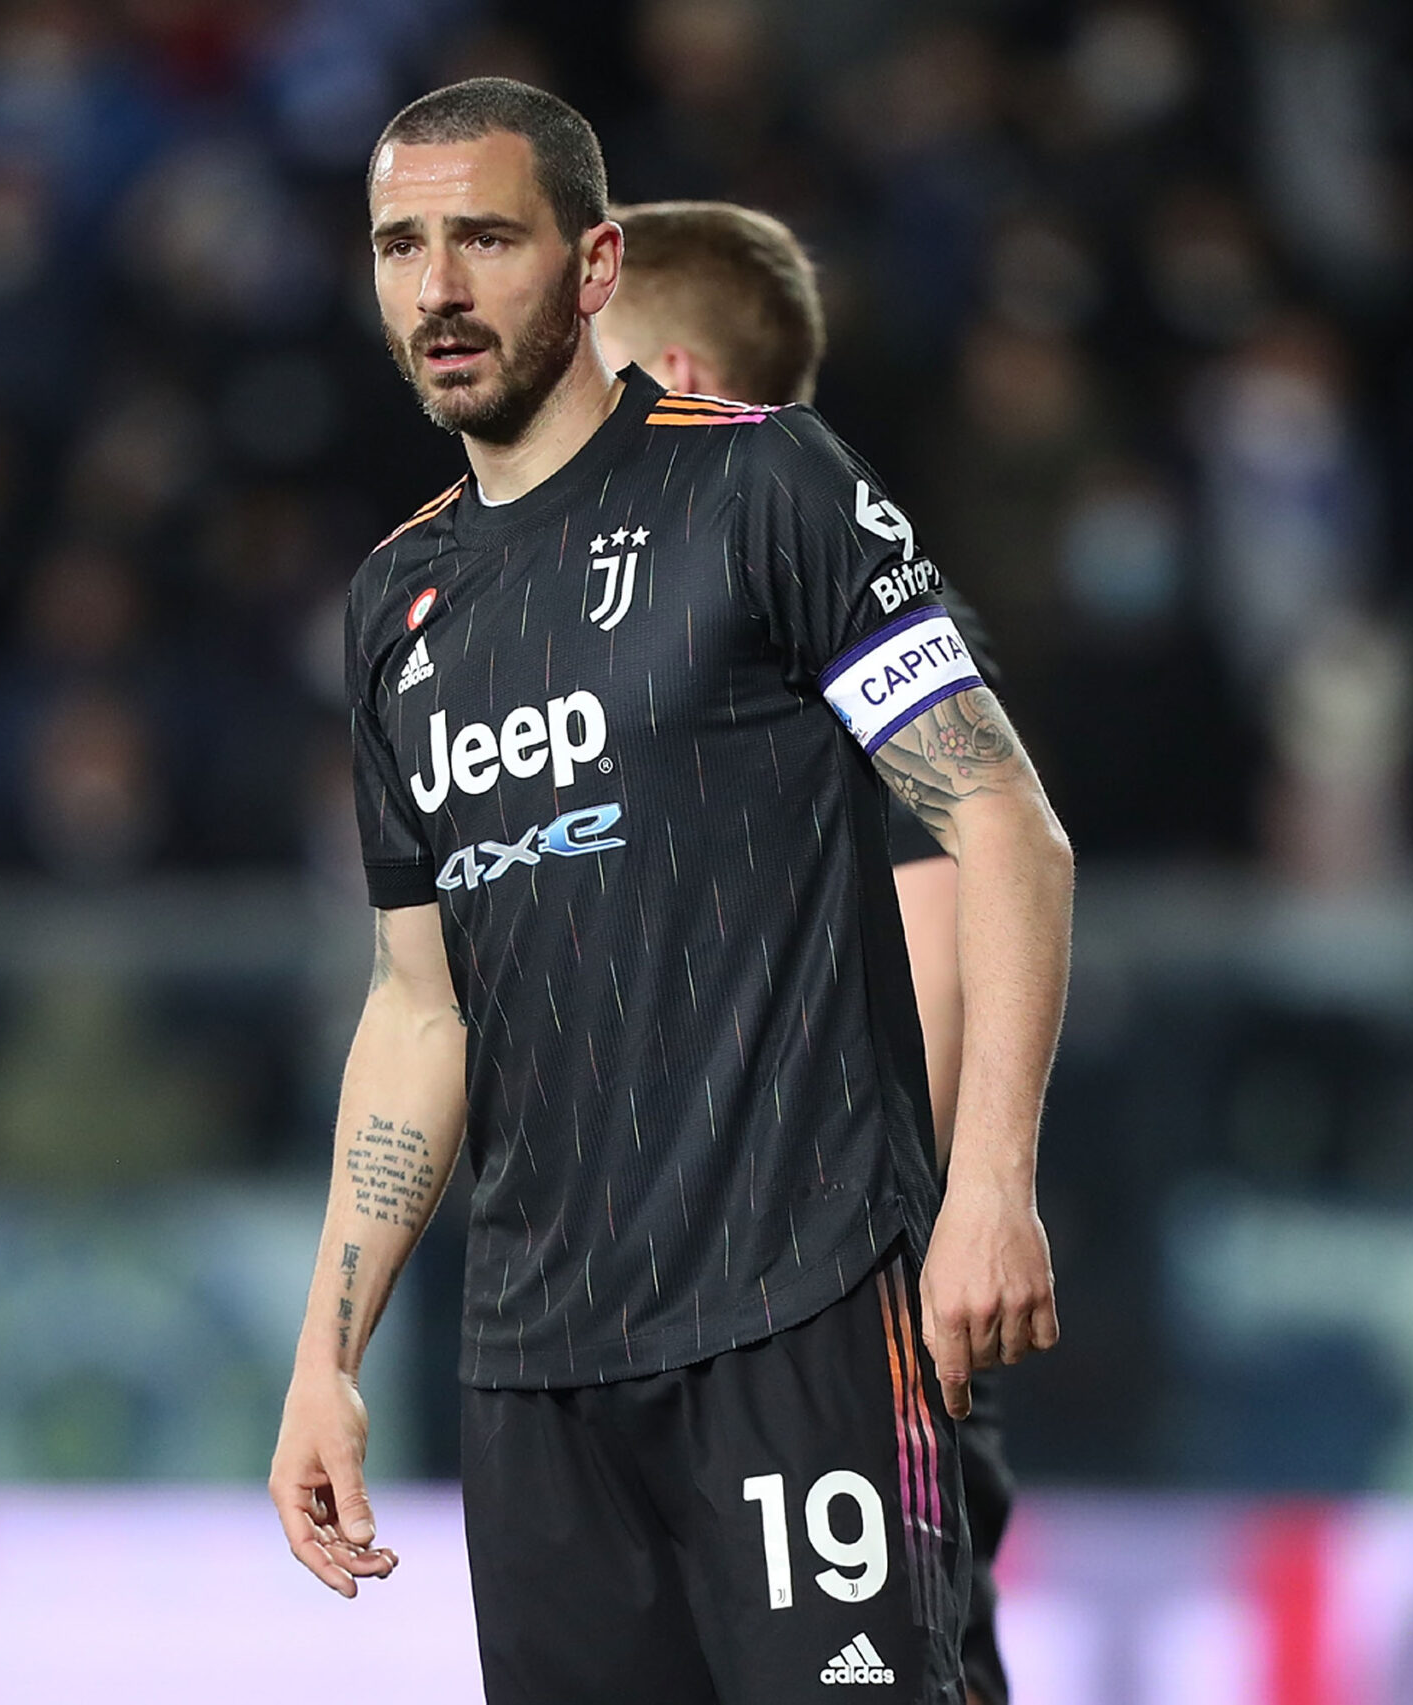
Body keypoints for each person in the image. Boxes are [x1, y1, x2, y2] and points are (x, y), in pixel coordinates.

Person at [271, 79, 1072, 1705]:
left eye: (486, 238)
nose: (438, 288)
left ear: (592, 264)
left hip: (799, 1320)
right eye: (401, 247)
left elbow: (1001, 822)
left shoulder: (763, 485)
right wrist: (325, 1353)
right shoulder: (397, 606)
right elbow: (420, 1009)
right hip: (536, 1378)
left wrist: (989, 1186)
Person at [593, 196, 1017, 1705]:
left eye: (589, 359)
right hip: (673, 1322)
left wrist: (887, 1279)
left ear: (681, 376)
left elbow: (937, 955)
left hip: (827, 1328)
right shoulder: (658, 642)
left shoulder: (834, 611)